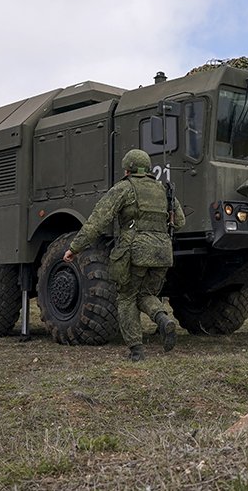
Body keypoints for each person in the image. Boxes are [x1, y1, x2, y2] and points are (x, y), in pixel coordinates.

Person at [63, 149, 185, 361]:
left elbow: (97, 222)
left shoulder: (124, 188)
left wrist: (75, 248)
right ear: (147, 168)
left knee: (127, 298)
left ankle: (136, 351)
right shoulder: (163, 190)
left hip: (134, 251)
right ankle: (163, 320)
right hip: (162, 253)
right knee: (146, 295)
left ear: (127, 168)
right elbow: (180, 222)